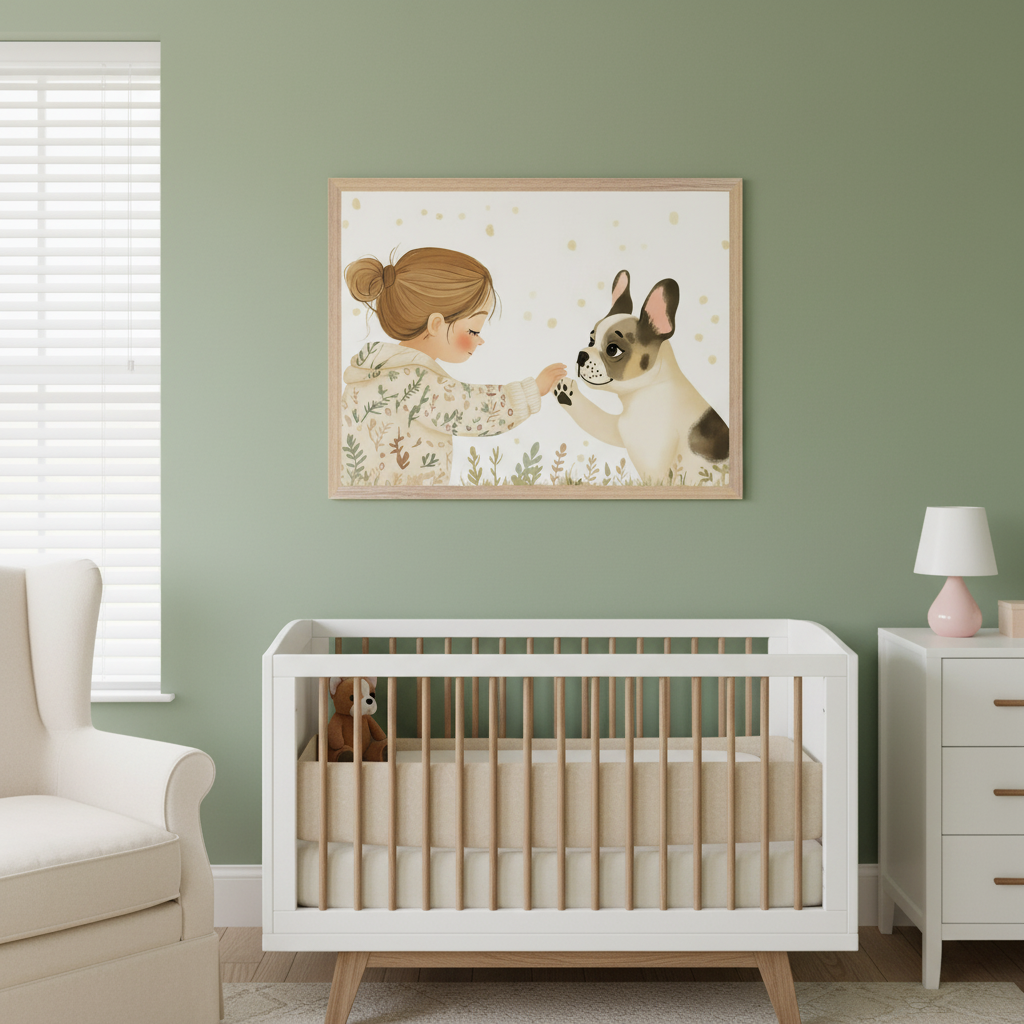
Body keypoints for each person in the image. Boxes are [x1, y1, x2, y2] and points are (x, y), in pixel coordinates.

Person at [340, 247, 565, 486]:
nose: (480, 339)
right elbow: (474, 409)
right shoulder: (416, 381)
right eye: (474, 330)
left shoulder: (371, 373)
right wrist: (533, 390)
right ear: (436, 324)